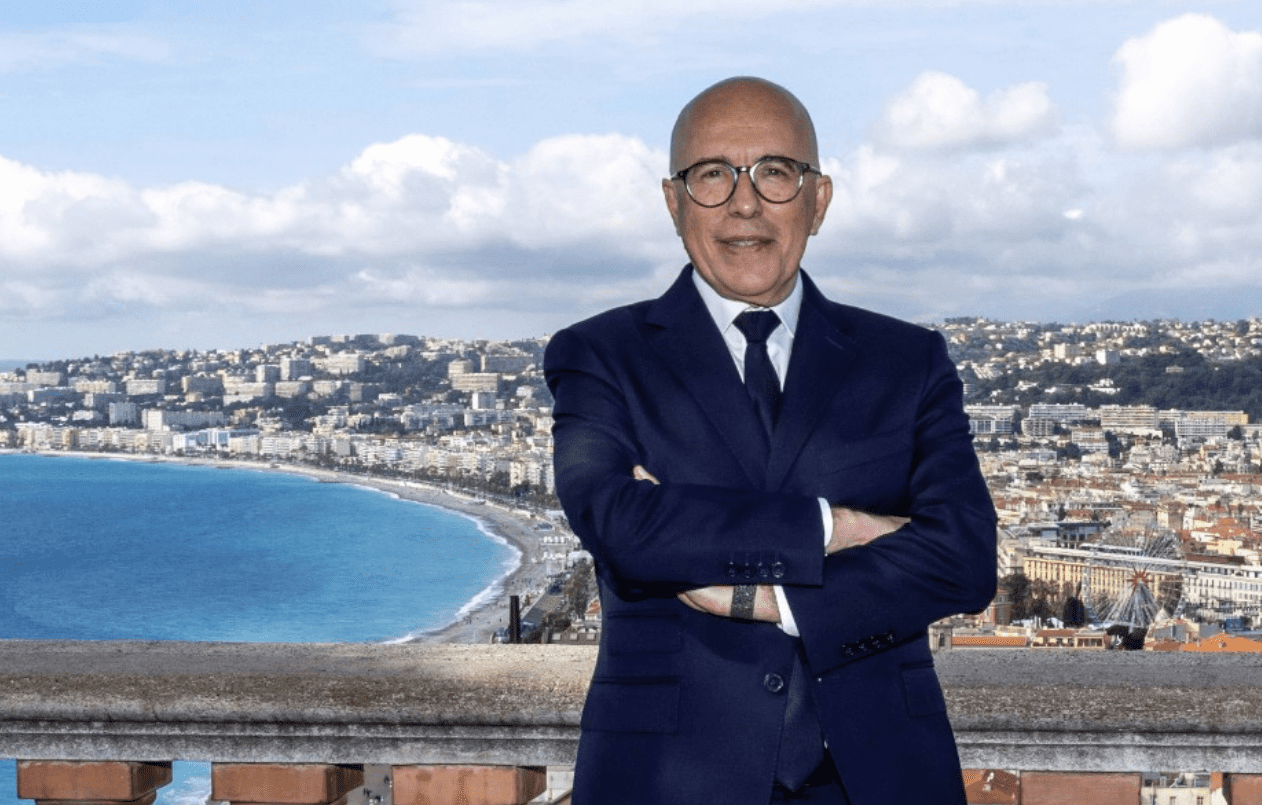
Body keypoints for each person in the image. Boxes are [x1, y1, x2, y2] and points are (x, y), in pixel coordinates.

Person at [544, 76, 997, 805]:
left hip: (878, 777)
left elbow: (965, 559)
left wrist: (763, 600)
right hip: (667, 780)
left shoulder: (907, 361)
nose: (745, 203)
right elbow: (622, 527)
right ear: (673, 202)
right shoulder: (600, 354)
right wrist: (837, 527)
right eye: (712, 174)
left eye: (775, 172)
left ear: (819, 200)